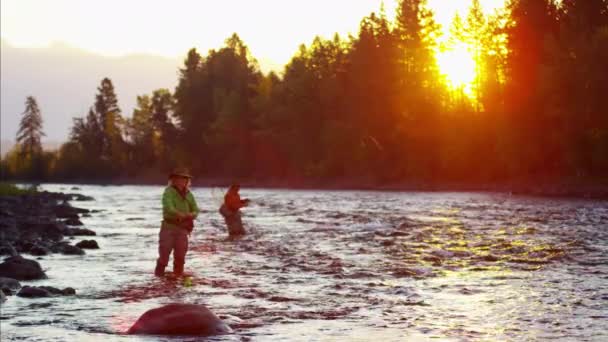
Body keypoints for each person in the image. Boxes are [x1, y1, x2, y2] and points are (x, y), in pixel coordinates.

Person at [155, 167, 199, 277]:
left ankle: (177, 276)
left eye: (184, 179)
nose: (182, 181)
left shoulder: (189, 194)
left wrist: (191, 215)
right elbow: (168, 206)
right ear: (173, 180)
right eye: (179, 178)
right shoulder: (168, 192)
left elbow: (196, 209)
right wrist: (178, 213)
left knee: (180, 256)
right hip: (168, 227)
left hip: (183, 229)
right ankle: (159, 276)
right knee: (164, 254)